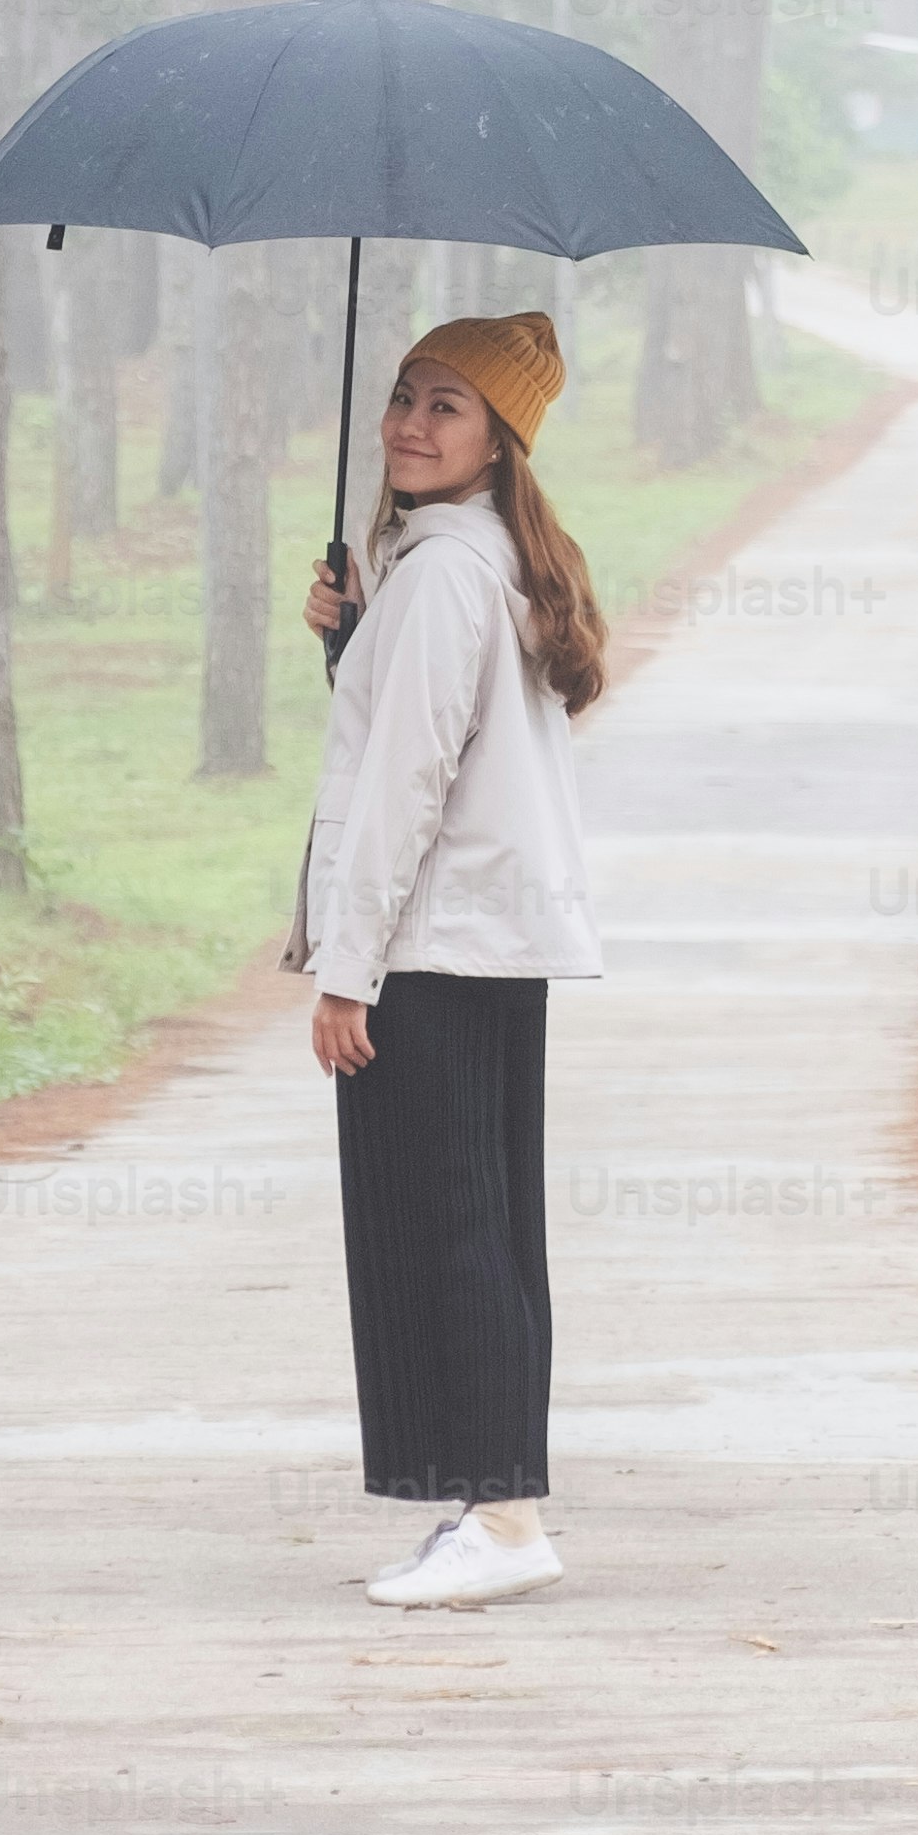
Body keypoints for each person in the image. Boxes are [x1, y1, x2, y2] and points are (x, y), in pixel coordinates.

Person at [293, 308, 612, 1611]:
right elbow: (428, 739)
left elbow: (406, 782)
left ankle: (503, 1516)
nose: (410, 426)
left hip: (429, 951)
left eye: (447, 408)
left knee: (453, 1230)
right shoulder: (476, 563)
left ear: (499, 441)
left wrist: (346, 966)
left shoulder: (443, 573)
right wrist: (345, 639)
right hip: (483, 943)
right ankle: (496, 1509)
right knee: (481, 1223)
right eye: (405, 397)